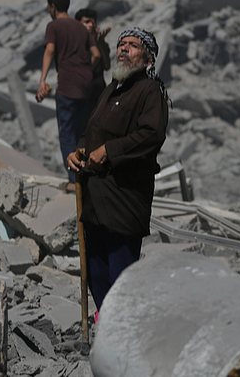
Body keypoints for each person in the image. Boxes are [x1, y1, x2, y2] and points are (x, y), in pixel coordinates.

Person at [67, 27, 169, 312]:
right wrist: (79, 150)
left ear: (148, 59)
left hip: (124, 198)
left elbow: (151, 135)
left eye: (133, 45)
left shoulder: (150, 91)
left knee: (121, 275)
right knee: (96, 271)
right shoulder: (111, 90)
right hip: (96, 197)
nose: (124, 48)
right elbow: (91, 130)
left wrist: (109, 152)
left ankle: (125, 327)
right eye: (121, 44)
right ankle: (109, 323)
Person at [36, 0, 100, 191]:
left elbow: (50, 50)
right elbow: (96, 54)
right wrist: (87, 70)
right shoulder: (81, 28)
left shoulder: (54, 26)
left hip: (67, 85)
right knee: (81, 132)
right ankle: (85, 175)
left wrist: (42, 80)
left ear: (53, 6)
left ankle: (74, 180)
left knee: (66, 133)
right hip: (85, 85)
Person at [74, 8, 112, 119]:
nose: (91, 25)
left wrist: (100, 43)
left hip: (98, 95)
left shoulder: (100, 45)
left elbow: (106, 66)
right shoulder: (74, 46)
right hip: (81, 97)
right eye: (87, 22)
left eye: (93, 22)